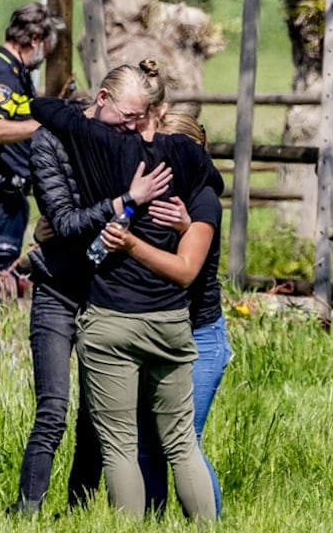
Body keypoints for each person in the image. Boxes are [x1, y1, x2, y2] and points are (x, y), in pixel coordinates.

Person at [30, 62, 223, 521]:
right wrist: (186, 220)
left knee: (120, 445)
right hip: (171, 320)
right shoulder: (190, 157)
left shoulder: (108, 148)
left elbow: (45, 108)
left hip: (112, 315)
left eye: (135, 117)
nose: (130, 125)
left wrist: (127, 227)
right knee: (181, 443)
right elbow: (213, 185)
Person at [8, 82, 173, 515]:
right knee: (53, 408)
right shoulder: (50, 140)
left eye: (138, 118)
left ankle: (78, 511)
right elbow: (63, 221)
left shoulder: (124, 142)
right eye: (127, 115)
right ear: (102, 99)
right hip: (58, 286)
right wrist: (124, 201)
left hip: (105, 289)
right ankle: (27, 510)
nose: (131, 126)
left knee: (94, 414)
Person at [105, 113, 230, 518]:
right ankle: (152, 520)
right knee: (146, 443)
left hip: (199, 333)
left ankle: (210, 521)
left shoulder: (202, 199)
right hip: (155, 328)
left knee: (183, 441)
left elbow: (187, 268)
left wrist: (184, 228)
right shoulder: (148, 192)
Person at [0, 2, 66, 297]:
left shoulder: (13, 70)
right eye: (48, 46)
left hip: (5, 197)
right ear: (35, 38)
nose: (48, 54)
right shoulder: (3, 75)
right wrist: (44, 125)